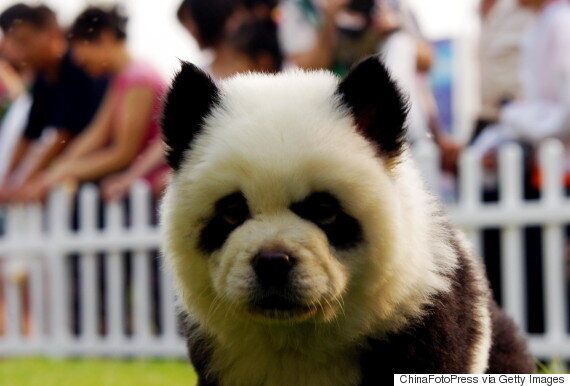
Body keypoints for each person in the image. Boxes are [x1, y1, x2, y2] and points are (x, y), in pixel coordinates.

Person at [19, 6, 167, 202]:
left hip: (153, 187)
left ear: (104, 38)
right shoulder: (122, 78)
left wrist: (62, 172)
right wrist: (56, 169)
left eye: (79, 47)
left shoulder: (139, 79)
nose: (78, 59)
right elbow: (96, 133)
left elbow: (123, 153)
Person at [0, 4, 107, 202]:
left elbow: (63, 134)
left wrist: (24, 182)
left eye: (25, 42)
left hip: (97, 173)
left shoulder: (77, 68)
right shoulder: (42, 78)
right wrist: (7, 180)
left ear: (51, 34)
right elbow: (29, 134)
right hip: (70, 170)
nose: (21, 53)